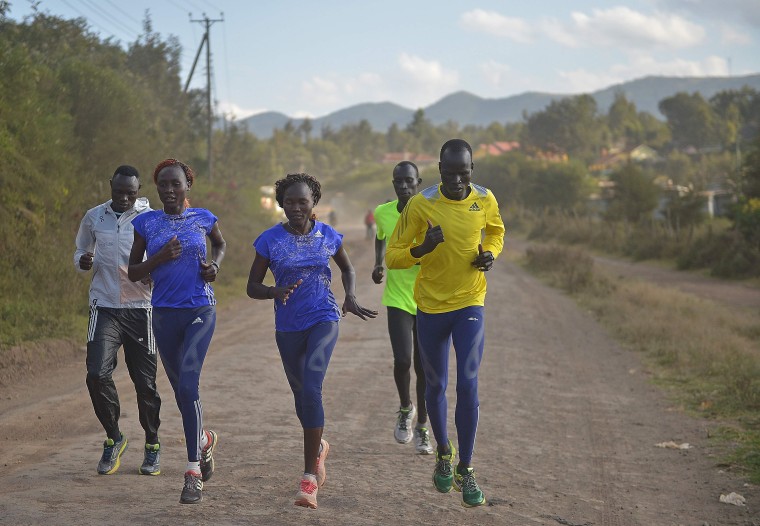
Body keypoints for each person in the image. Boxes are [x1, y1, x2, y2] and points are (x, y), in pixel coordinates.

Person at [246, 172, 377, 510]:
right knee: (301, 396)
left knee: (311, 387)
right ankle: (319, 448)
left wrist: (349, 295)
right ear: (281, 204)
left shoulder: (327, 235)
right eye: (289, 201)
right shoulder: (270, 240)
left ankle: (308, 479)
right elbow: (252, 287)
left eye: (302, 201)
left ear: (313, 202)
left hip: (324, 317)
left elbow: (347, 268)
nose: (295, 207)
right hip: (288, 326)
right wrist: (275, 291)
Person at [386, 139, 504, 508]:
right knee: (436, 384)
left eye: (463, 173)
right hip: (431, 307)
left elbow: (496, 233)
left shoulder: (485, 199)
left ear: (472, 170)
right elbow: (393, 256)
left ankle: (466, 469)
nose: (456, 180)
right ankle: (443, 452)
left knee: (468, 383)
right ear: (439, 169)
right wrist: (423, 249)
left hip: (471, 301)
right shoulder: (422, 204)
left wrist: (490, 254)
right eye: (449, 173)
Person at [128, 158, 226, 505]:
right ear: (157, 188)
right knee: (184, 397)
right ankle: (202, 441)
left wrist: (214, 265)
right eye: (164, 185)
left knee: (188, 384)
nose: (170, 190)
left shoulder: (203, 217)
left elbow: (220, 244)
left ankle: (192, 472)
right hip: (164, 315)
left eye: (176, 184)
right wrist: (159, 258)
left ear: (188, 186)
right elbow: (135, 272)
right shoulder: (146, 223)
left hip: (200, 309)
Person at [74, 165, 162, 476]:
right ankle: (114, 438)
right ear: (110, 185)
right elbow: (81, 249)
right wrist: (83, 261)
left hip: (141, 309)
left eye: (131, 193)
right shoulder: (94, 216)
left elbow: (162, 256)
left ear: (139, 192)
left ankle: (152, 445)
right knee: (96, 374)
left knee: (145, 383)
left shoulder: (151, 219)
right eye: (119, 191)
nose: (124, 197)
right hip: (104, 306)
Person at [371, 161, 433, 454]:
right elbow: (380, 237)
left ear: (418, 181)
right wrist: (377, 264)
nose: (404, 186)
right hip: (397, 298)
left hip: (428, 298)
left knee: (424, 368)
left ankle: (423, 426)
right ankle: (406, 408)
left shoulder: (431, 211)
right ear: (393, 183)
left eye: (409, 181)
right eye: (399, 182)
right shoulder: (383, 213)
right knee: (403, 361)